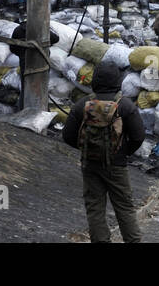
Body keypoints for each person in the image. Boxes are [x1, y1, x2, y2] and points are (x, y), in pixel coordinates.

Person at [61, 62, 145, 243]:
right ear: (118, 81)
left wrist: (87, 148)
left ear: (95, 80)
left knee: (94, 207)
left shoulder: (82, 104)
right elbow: (138, 137)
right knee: (124, 207)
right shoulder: (125, 106)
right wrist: (123, 152)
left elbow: (67, 136)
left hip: (90, 164)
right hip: (117, 166)